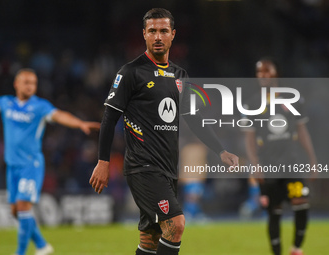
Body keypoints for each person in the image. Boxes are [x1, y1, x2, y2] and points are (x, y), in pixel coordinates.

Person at [89, 8, 238, 255]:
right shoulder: (130, 72)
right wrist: (103, 161)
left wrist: (220, 150)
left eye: (163, 31)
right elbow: (109, 118)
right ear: (144, 35)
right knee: (176, 225)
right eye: (152, 31)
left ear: (173, 35)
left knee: (151, 239)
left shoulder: (180, 76)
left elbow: (193, 118)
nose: (158, 36)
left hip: (168, 167)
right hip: (143, 167)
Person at [0, 68, 100, 255]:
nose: (30, 86)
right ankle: (42, 245)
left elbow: (60, 115)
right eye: (26, 82)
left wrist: (79, 123)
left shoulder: (40, 107)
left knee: (23, 207)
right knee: (16, 211)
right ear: (16, 84)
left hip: (30, 165)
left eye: (33, 83)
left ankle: (20, 252)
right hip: (12, 166)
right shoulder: (6, 103)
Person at [243, 58, 318, 255]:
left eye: (268, 71)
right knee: (273, 213)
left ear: (276, 73)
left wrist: (312, 160)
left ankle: (296, 248)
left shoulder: (292, 98)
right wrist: (255, 165)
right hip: (268, 166)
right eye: (259, 72)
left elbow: (302, 131)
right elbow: (249, 138)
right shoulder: (251, 103)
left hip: (292, 163)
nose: (263, 75)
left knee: (301, 204)